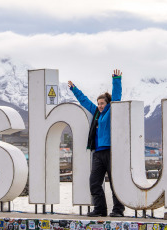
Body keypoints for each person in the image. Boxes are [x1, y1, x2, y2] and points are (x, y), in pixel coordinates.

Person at [68, 69, 125, 217]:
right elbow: (84, 101)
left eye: (102, 103)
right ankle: (100, 209)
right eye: (98, 103)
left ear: (107, 103)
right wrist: (74, 89)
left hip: (111, 152)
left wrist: (116, 80)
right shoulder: (97, 113)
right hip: (98, 153)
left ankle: (118, 210)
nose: (100, 106)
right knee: (94, 182)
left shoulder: (112, 110)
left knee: (115, 184)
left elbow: (116, 97)